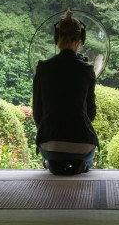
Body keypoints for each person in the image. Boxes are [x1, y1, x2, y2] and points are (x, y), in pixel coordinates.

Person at [32, 11, 98, 175]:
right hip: (82, 144)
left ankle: (52, 163)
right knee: (88, 156)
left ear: (56, 38)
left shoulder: (43, 67)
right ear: (81, 40)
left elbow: (37, 113)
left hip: (49, 143)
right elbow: (90, 114)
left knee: (50, 153)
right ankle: (81, 165)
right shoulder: (87, 70)